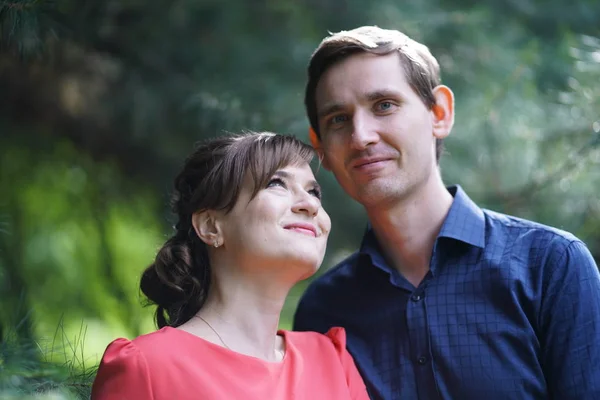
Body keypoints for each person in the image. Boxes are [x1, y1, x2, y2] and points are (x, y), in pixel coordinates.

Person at [293, 26, 600, 400]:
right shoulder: (323, 310)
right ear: (320, 147)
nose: (361, 136)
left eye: (384, 105)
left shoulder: (550, 266)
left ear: (440, 113)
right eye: (338, 119)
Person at [91, 132, 369, 400]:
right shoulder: (148, 368)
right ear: (211, 226)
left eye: (314, 192)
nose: (310, 204)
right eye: (276, 183)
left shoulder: (332, 361)